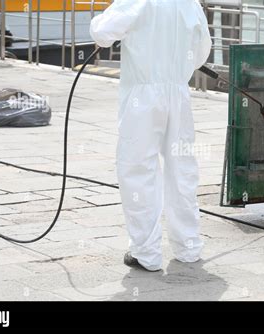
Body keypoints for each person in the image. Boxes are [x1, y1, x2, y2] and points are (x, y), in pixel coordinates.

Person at [90, 0, 212, 272]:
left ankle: (146, 252)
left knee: (138, 169)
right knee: (182, 170)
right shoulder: (189, 3)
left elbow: (102, 33)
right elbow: (202, 51)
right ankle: (188, 246)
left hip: (142, 98)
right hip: (178, 94)